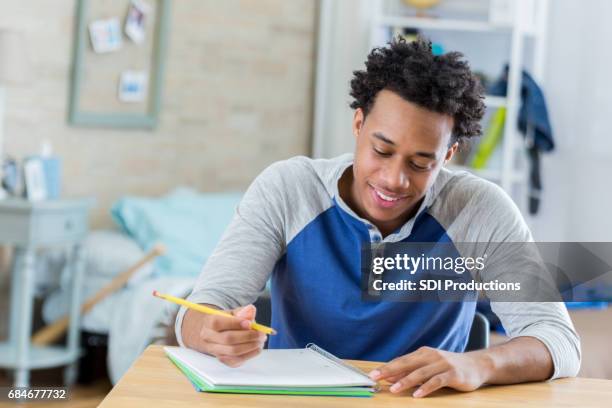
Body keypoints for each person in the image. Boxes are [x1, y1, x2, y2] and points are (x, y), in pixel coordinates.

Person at [175, 37, 580, 398]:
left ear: (448, 157)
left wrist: (479, 363)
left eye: (422, 163)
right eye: (382, 151)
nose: (394, 180)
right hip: (298, 400)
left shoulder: (479, 209)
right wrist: (209, 332)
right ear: (358, 124)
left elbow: (558, 339)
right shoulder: (288, 188)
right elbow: (200, 311)